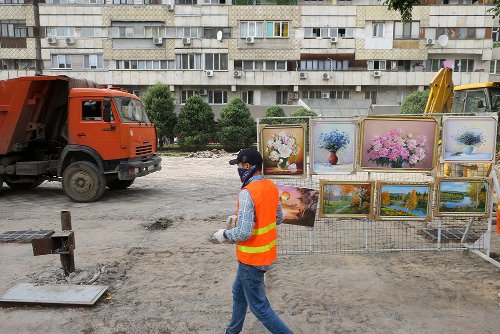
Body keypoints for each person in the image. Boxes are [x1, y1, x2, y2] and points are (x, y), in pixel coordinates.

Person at [212, 148, 293, 334]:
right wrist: (246, 217)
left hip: (252, 259)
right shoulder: (271, 186)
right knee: (238, 294)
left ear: (247, 166)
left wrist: (224, 235)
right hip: (263, 255)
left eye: (239, 165)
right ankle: (232, 332)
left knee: (260, 308)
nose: (238, 169)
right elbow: (278, 218)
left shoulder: (247, 192)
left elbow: (243, 233)